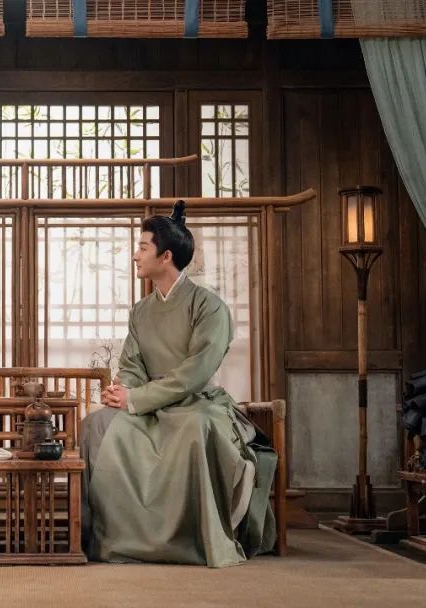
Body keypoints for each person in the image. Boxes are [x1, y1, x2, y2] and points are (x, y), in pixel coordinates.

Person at [79, 201, 276, 568]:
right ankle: (113, 539)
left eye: (142, 248)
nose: (135, 256)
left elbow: (195, 373)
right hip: (148, 403)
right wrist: (122, 392)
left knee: (196, 428)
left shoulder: (209, 306)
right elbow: (131, 364)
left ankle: (189, 540)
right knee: (97, 424)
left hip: (197, 402)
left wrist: (137, 398)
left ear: (166, 256)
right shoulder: (142, 310)